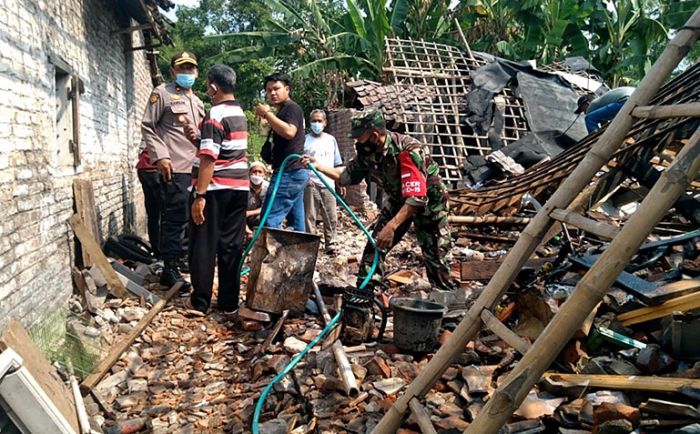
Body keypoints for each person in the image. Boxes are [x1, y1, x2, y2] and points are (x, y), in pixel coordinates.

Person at [302, 109, 456, 293]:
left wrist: (391, 228)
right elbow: (346, 176)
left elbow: (416, 198)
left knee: (436, 258)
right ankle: (365, 297)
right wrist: (319, 166)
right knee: (375, 247)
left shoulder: (408, 150)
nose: (356, 142)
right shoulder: (368, 152)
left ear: (374, 136)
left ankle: (449, 305)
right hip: (399, 200)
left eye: (359, 137)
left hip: (429, 205)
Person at [184, 64, 248, 314]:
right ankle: (228, 303)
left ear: (213, 87)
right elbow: (227, 151)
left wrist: (200, 195)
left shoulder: (215, 115)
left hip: (215, 189)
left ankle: (200, 301)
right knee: (231, 245)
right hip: (239, 188)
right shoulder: (240, 113)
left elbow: (209, 159)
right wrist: (197, 140)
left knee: (203, 244)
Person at [142, 51, 205, 288]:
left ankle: (182, 260)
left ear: (196, 72)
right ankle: (169, 268)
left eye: (190, 69)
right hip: (175, 165)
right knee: (175, 217)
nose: (187, 73)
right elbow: (148, 127)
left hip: (197, 167)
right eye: (182, 69)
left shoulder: (198, 102)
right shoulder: (162, 93)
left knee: (192, 218)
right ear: (173, 72)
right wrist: (160, 156)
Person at [254, 72, 309, 232]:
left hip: (289, 172)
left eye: (276, 88)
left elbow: (290, 132)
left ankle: (268, 255)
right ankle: (299, 256)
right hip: (293, 172)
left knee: (269, 219)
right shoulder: (283, 111)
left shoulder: (291, 108)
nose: (272, 93)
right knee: (297, 222)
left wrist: (267, 114)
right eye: (269, 90)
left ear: (287, 89)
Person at [303, 109, 342, 251]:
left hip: (328, 183)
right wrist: (305, 179)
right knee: (310, 216)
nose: (317, 123)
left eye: (319, 121)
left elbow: (337, 163)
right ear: (310, 122)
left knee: (331, 216)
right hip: (310, 183)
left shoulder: (331, 140)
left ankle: (331, 244)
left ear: (325, 123)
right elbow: (298, 162)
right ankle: (310, 245)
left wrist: (339, 181)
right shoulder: (305, 140)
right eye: (314, 121)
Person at [135, 141, 162, 259]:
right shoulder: (168, 127)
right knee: (165, 213)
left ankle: (156, 250)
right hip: (156, 168)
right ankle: (163, 252)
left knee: (153, 213)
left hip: (143, 169)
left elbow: (140, 150)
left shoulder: (150, 127)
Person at [246, 161, 269, 230]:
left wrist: (249, 213)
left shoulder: (268, 187)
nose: (257, 174)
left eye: (260, 172)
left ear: (265, 174)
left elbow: (266, 207)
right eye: (254, 171)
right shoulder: (244, 187)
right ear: (249, 173)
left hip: (258, 217)